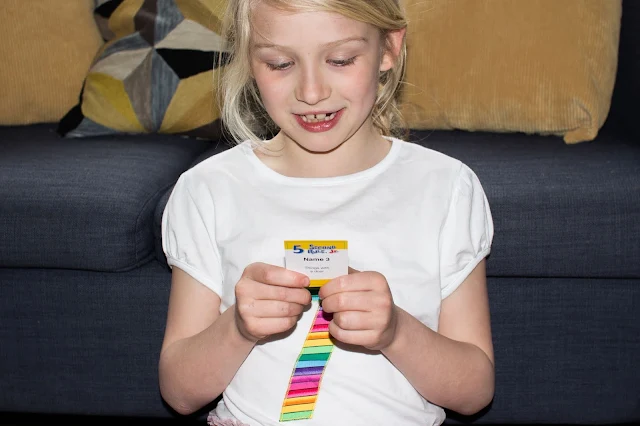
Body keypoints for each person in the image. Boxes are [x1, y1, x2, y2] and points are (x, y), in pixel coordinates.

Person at [159, 0, 495, 425]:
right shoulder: (209, 190)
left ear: (389, 49)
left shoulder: (445, 189)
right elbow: (179, 392)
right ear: (249, 61)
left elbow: (474, 392)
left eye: (340, 59)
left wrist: (397, 332)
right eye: (280, 63)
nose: (311, 92)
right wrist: (237, 329)